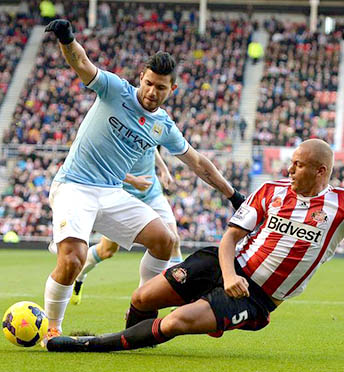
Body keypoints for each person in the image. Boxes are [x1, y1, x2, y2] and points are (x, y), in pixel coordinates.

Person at [46, 139, 344, 352]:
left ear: (321, 171)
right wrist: (230, 274)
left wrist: (236, 284)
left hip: (256, 296)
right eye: (290, 164)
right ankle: (136, 339)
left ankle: (90, 344)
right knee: (141, 298)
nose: (290, 170)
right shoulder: (270, 192)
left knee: (175, 323)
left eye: (298, 166)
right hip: (225, 266)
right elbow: (231, 236)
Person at [42, 19, 245, 341]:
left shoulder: (163, 125)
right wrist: (67, 38)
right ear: (141, 78)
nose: (152, 92)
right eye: (149, 83)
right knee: (72, 259)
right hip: (75, 185)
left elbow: (197, 162)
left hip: (110, 192)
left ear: (172, 89)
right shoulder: (114, 90)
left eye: (160, 87)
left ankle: (142, 305)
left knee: (164, 240)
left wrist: (233, 194)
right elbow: (81, 62)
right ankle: (52, 329)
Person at [70, 147, 182, 305]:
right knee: (107, 250)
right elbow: (105, 168)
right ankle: (80, 277)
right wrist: (133, 181)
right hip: (125, 197)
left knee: (174, 240)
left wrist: (163, 169)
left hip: (153, 194)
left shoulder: (150, 126)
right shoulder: (116, 131)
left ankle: (177, 295)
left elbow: (151, 147)